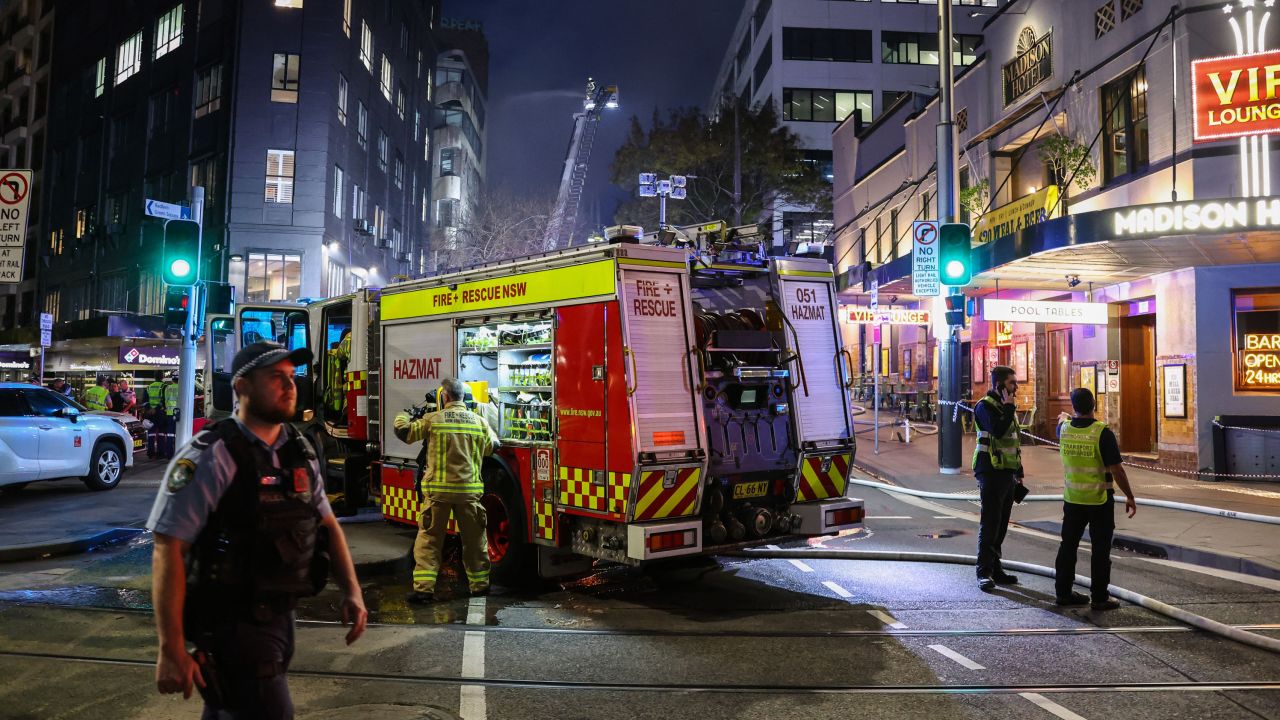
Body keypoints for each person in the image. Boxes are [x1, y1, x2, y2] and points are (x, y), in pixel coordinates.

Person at [149, 341, 367, 718]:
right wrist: (170, 649)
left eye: (291, 377)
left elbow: (327, 524)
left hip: (280, 618)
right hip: (234, 625)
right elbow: (168, 548)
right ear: (241, 387)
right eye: (275, 377)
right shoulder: (212, 455)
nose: (289, 386)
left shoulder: (299, 450)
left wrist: (352, 591)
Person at [395, 377, 498, 603]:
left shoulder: (433, 419)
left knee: (430, 541)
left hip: (438, 495)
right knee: (475, 542)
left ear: (445, 397)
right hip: (469, 493)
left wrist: (406, 414)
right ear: (464, 398)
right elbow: (493, 447)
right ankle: (480, 586)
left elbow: (403, 432)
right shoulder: (479, 422)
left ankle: (424, 590)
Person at [1053, 388, 1137, 610]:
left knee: (1068, 546)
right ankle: (1100, 597)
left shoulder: (1064, 430)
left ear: (1073, 408)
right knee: (1100, 550)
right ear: (1094, 406)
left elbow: (1061, 424)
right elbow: (1117, 470)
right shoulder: (1102, 433)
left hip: (1072, 499)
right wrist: (1129, 495)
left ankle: (1063, 593)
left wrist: (1065, 418)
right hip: (1099, 500)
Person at [972, 365, 1024, 591]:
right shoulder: (985, 407)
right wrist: (1010, 408)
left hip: (1007, 472)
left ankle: (996, 568)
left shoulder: (1006, 407)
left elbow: (1012, 442)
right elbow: (999, 431)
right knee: (990, 522)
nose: (1016, 387)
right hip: (990, 471)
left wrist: (1019, 472)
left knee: (1002, 523)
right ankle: (983, 571)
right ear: (1000, 385)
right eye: (1012, 383)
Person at [147, 375, 168, 459]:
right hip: (160, 412)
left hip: (151, 413)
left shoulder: (149, 387)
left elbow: (145, 400)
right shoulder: (164, 386)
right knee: (161, 433)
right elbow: (164, 400)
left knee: (151, 433)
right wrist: (156, 408)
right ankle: (160, 453)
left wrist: (149, 409)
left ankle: (150, 452)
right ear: (162, 377)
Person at [162, 372, 180, 459]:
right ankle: (178, 453)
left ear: (172, 379)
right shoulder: (181, 387)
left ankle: (169, 454)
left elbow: (165, 400)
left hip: (169, 413)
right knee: (178, 434)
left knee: (170, 434)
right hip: (178, 413)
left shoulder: (168, 388)